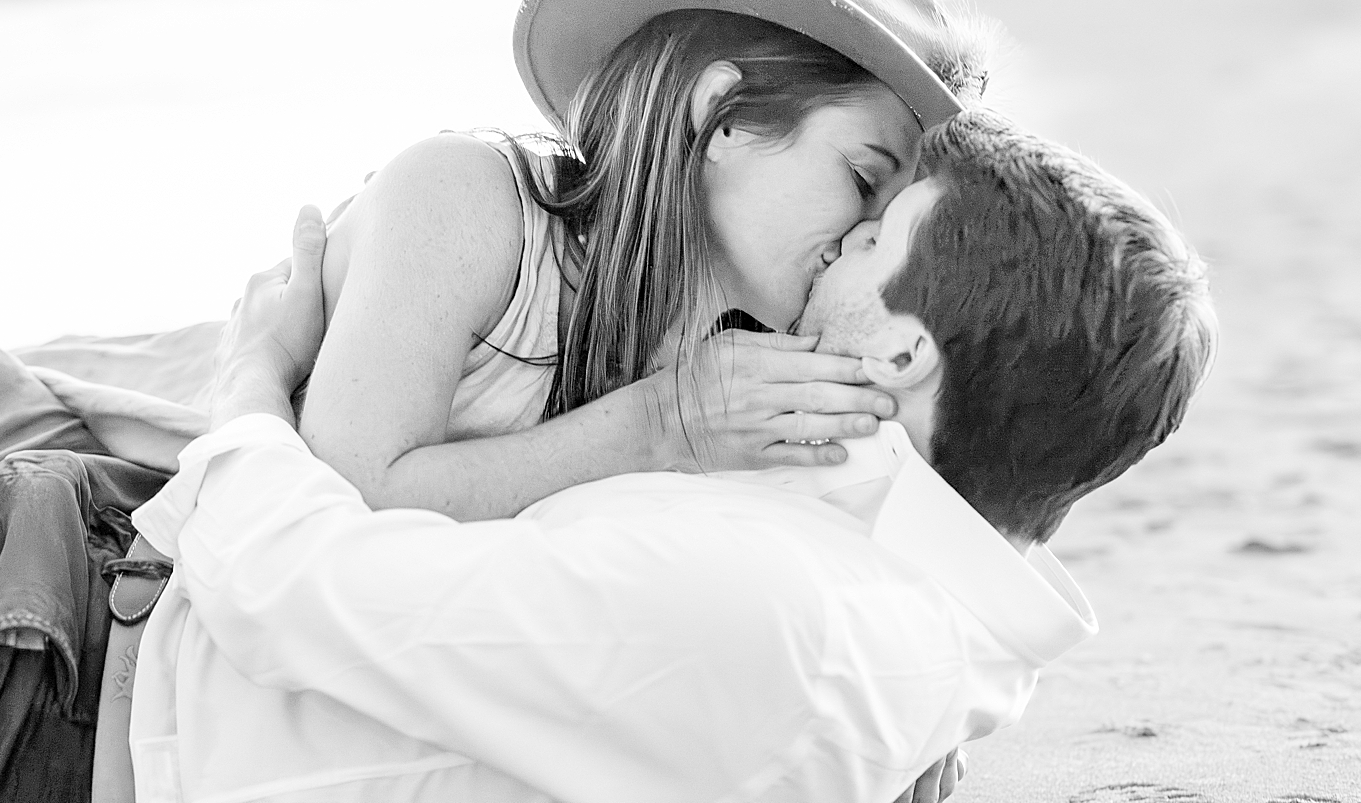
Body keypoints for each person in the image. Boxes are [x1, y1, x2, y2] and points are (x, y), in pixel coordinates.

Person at [120, 106, 1215, 803]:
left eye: (877, 239)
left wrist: (251, 374)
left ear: (902, 350)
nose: (841, 247)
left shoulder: (783, 613)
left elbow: (286, 586)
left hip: (80, 682)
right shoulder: (888, 592)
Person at [28, 0, 1001, 525]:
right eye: (866, 176)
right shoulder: (469, 202)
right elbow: (345, 497)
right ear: (722, 116)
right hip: (57, 443)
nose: (870, 231)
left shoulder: (744, 347)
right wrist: (656, 423)